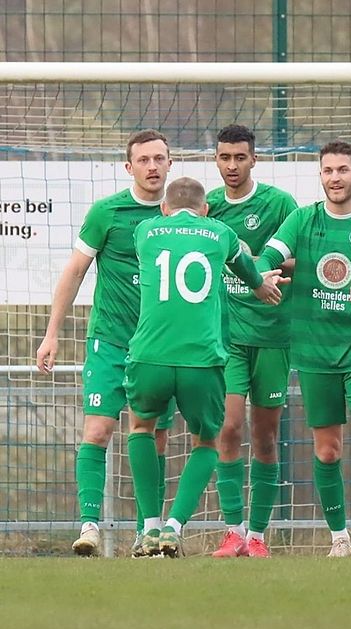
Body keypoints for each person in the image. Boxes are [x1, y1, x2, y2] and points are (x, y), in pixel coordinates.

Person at [124, 177, 284, 558]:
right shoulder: (220, 233)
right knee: (207, 442)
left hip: (150, 354)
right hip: (201, 358)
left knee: (141, 429)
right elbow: (245, 268)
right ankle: (174, 527)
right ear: (206, 209)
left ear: (165, 208)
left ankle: (149, 527)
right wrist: (260, 286)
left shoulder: (145, 231)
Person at [35, 129, 177, 557]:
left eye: (159, 158)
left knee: (153, 439)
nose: (152, 166)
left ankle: (147, 531)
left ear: (171, 164)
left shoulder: (181, 215)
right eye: (144, 160)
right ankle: (90, 526)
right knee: (97, 430)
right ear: (129, 167)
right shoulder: (107, 212)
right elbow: (75, 271)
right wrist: (52, 333)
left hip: (159, 347)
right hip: (110, 341)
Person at [259, 140, 351, 557]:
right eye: (328, 170)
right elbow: (269, 256)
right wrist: (262, 274)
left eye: (343, 170)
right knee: (327, 450)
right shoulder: (303, 219)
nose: (335, 177)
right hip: (315, 351)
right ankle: (339, 537)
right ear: (320, 175)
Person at [206, 125, 298, 559]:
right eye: (225, 157)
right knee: (227, 427)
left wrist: (264, 266)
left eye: (240, 157)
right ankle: (232, 530)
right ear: (216, 159)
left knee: (265, 436)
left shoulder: (279, 204)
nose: (232, 166)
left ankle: (258, 536)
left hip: (273, 334)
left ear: (254, 159)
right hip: (228, 337)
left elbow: (303, 255)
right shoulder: (208, 207)